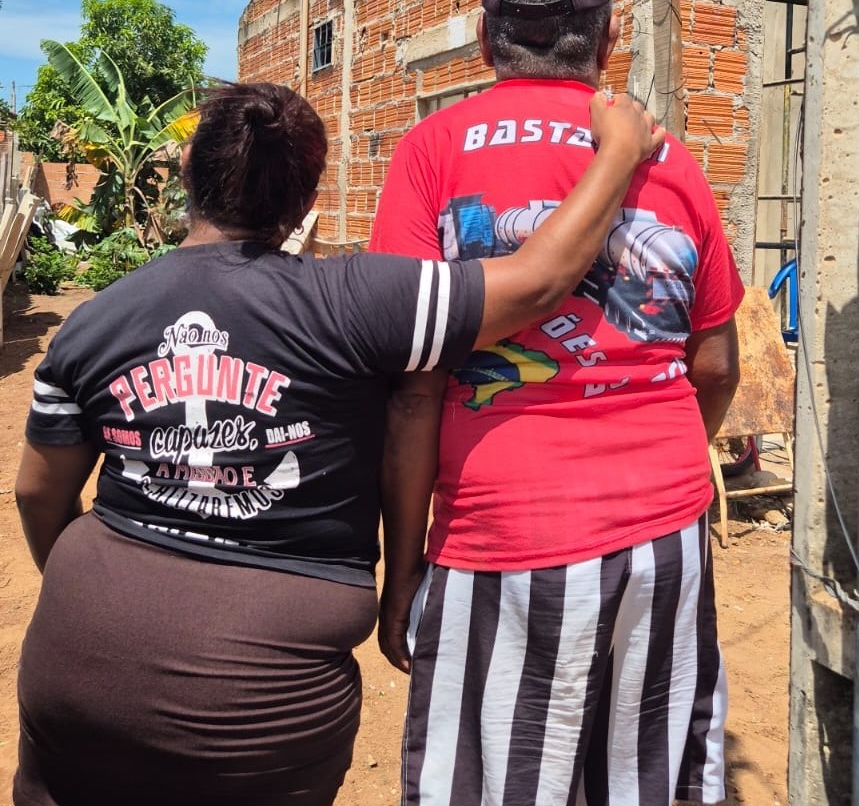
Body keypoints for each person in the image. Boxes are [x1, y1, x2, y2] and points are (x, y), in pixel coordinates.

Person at [14, 80, 661, 806]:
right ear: (306, 190)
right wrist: (619, 153)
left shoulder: (93, 321)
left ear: (189, 165)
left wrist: (101, 599)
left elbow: (39, 492)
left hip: (73, 663)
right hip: (259, 712)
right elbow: (539, 280)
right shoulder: (361, 301)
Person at [369, 0, 744, 806]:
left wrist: (401, 569)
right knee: (648, 777)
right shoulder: (671, 159)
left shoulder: (431, 152)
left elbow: (411, 387)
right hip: (664, 537)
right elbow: (716, 365)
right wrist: (664, 461)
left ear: (481, 31)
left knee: (493, 779)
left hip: (499, 534)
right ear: (607, 36)